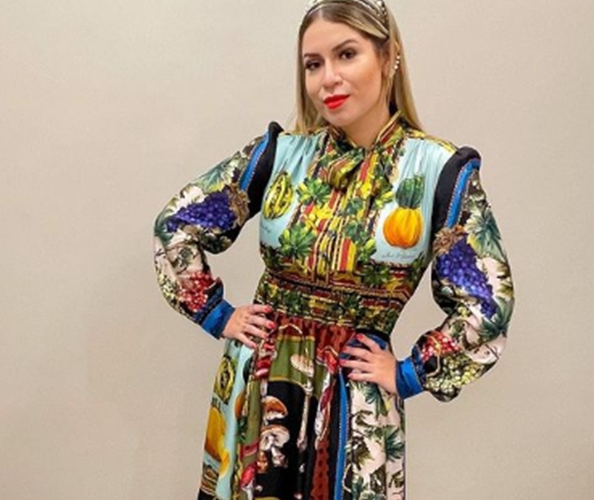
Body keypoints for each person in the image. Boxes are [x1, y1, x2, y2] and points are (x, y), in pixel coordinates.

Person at [153, 0, 515, 498]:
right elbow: (176, 226)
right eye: (313, 64)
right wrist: (218, 315)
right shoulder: (281, 156)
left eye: (347, 54)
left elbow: (487, 302)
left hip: (353, 403)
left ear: (388, 56)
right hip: (261, 386)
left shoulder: (438, 172)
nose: (328, 79)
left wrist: (410, 374)